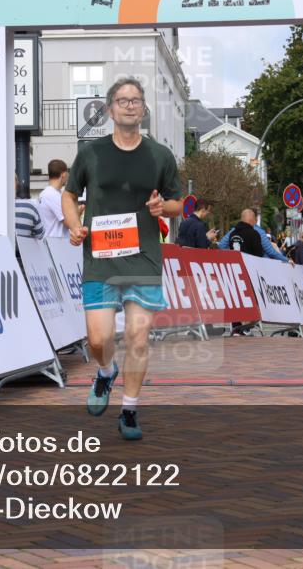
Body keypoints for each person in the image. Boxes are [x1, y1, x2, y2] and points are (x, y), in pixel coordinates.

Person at [61, 77, 182, 440]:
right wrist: (74, 225)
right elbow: (69, 195)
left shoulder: (160, 155)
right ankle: (105, 372)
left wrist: (164, 207)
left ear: (143, 109)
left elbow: (178, 203)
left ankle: (129, 409)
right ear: (110, 109)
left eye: (136, 100)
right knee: (98, 340)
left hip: (143, 258)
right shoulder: (91, 154)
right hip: (100, 257)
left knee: (138, 337)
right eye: (122, 100)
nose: (130, 105)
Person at [218, 210, 289, 262]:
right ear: (255, 219)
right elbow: (270, 252)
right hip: (252, 268)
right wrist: (286, 260)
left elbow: (221, 245)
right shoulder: (257, 232)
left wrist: (235, 254)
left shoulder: (233, 231)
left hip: (236, 266)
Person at [38, 159, 69, 237]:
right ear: (64, 174)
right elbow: (68, 221)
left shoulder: (45, 193)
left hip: (51, 242)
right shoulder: (52, 195)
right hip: (56, 244)